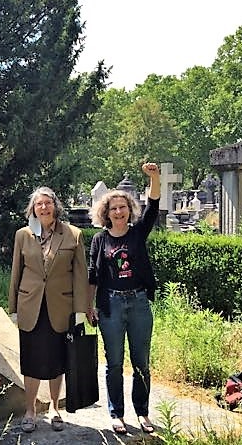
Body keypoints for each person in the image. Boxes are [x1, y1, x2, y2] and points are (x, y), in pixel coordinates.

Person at [8, 186, 92, 433]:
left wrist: (80, 311)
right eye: (38, 204)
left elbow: (80, 276)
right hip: (30, 307)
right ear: (33, 209)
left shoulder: (73, 235)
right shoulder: (23, 235)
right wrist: (13, 307)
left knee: (58, 361)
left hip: (60, 308)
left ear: (55, 206)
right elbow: (16, 273)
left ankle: (55, 407)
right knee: (31, 361)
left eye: (47, 203)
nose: (43, 207)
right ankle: (30, 411)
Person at [88, 162, 160, 435]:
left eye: (123, 207)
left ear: (129, 209)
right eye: (113, 208)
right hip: (111, 306)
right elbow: (93, 274)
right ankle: (116, 413)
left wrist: (154, 177)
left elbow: (153, 205)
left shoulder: (138, 233)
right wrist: (89, 306)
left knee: (141, 361)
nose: (118, 212)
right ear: (106, 213)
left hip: (139, 303)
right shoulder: (99, 240)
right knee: (114, 362)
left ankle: (142, 412)